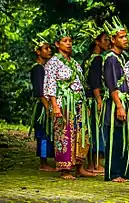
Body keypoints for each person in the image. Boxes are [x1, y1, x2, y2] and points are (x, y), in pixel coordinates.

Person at [43, 26, 96, 179]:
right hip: (63, 102)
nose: (69, 44)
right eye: (65, 41)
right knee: (64, 134)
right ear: (57, 44)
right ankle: (65, 169)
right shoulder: (53, 62)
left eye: (70, 41)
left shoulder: (73, 62)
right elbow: (50, 84)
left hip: (79, 102)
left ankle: (80, 166)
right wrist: (54, 106)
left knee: (81, 133)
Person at [102, 16, 129, 183]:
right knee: (115, 136)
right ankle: (113, 173)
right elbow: (112, 84)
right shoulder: (111, 58)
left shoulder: (121, 57)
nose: (125, 39)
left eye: (125, 36)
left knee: (122, 137)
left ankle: (123, 171)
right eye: (121, 37)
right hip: (115, 103)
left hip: (123, 102)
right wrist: (119, 105)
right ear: (113, 39)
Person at [82, 30, 110, 174]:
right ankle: (96, 165)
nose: (108, 42)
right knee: (97, 129)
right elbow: (95, 81)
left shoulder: (87, 58)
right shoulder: (98, 59)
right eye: (105, 40)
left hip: (87, 98)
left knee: (90, 129)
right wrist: (99, 99)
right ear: (97, 42)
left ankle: (91, 163)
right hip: (94, 98)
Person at [30, 37, 55, 172]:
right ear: (38, 52)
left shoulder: (44, 67)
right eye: (46, 48)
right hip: (42, 104)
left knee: (46, 131)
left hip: (45, 103)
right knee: (43, 132)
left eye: (49, 48)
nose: (49, 50)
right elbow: (39, 91)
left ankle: (46, 159)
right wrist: (47, 107)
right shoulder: (38, 68)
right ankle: (43, 162)